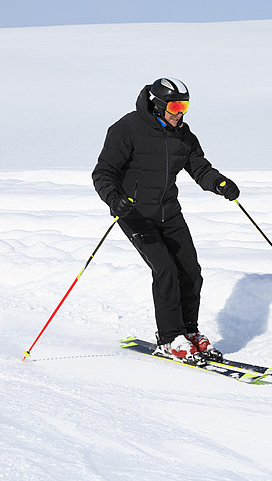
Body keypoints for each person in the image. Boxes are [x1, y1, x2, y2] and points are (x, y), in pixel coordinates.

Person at [93, 77, 239, 365]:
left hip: (169, 212)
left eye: (184, 106)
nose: (180, 113)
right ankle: (170, 338)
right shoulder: (127, 128)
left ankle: (189, 331)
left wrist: (219, 183)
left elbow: (199, 167)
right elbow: (103, 172)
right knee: (166, 271)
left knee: (191, 271)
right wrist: (115, 199)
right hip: (134, 214)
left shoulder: (183, 134)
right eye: (174, 106)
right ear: (158, 105)